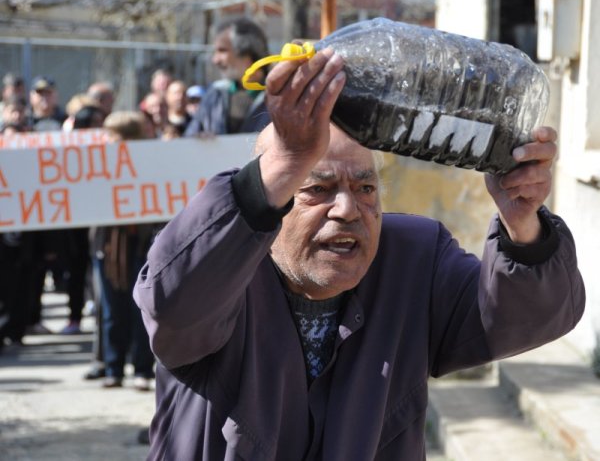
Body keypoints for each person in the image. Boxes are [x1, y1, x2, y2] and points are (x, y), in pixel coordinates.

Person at [134, 48, 586, 459]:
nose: (349, 209)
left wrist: (522, 222)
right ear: (274, 194)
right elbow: (171, 305)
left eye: (366, 187)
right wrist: (287, 158)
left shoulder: (412, 261)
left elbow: (526, 316)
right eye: (318, 188)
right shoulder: (221, 267)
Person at [95, 111, 157, 390]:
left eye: (115, 138)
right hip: (108, 246)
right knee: (111, 309)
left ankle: (142, 368)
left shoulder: (151, 162)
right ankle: (113, 367)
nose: (109, 143)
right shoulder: (96, 165)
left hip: (143, 245)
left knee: (140, 309)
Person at [184, 16, 271, 136]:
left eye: (222, 50)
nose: (215, 60)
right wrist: (197, 139)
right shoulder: (215, 95)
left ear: (247, 52)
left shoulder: (278, 97)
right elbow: (190, 136)